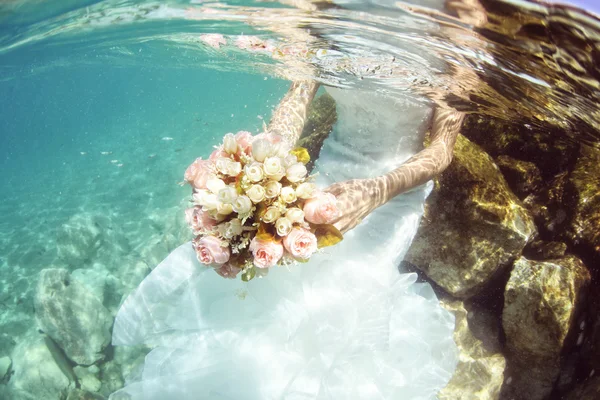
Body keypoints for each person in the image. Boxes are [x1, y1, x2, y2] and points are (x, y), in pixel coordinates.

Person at [109, 2, 466, 399]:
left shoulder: (461, 13)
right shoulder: (323, 7)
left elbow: (441, 151)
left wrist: (375, 192)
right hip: (325, 177)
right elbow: (299, 94)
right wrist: (266, 155)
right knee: (275, 293)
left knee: (340, 305)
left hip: (393, 196)